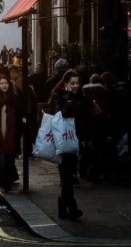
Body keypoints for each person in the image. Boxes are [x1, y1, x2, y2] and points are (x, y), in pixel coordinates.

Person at [50, 70, 84, 221]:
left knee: (69, 176)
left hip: (75, 138)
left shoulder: (80, 95)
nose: (75, 86)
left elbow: (83, 117)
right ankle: (72, 208)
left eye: (77, 83)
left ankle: (63, 207)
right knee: (68, 175)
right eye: (72, 83)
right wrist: (69, 98)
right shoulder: (58, 95)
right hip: (63, 139)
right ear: (65, 84)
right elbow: (60, 115)